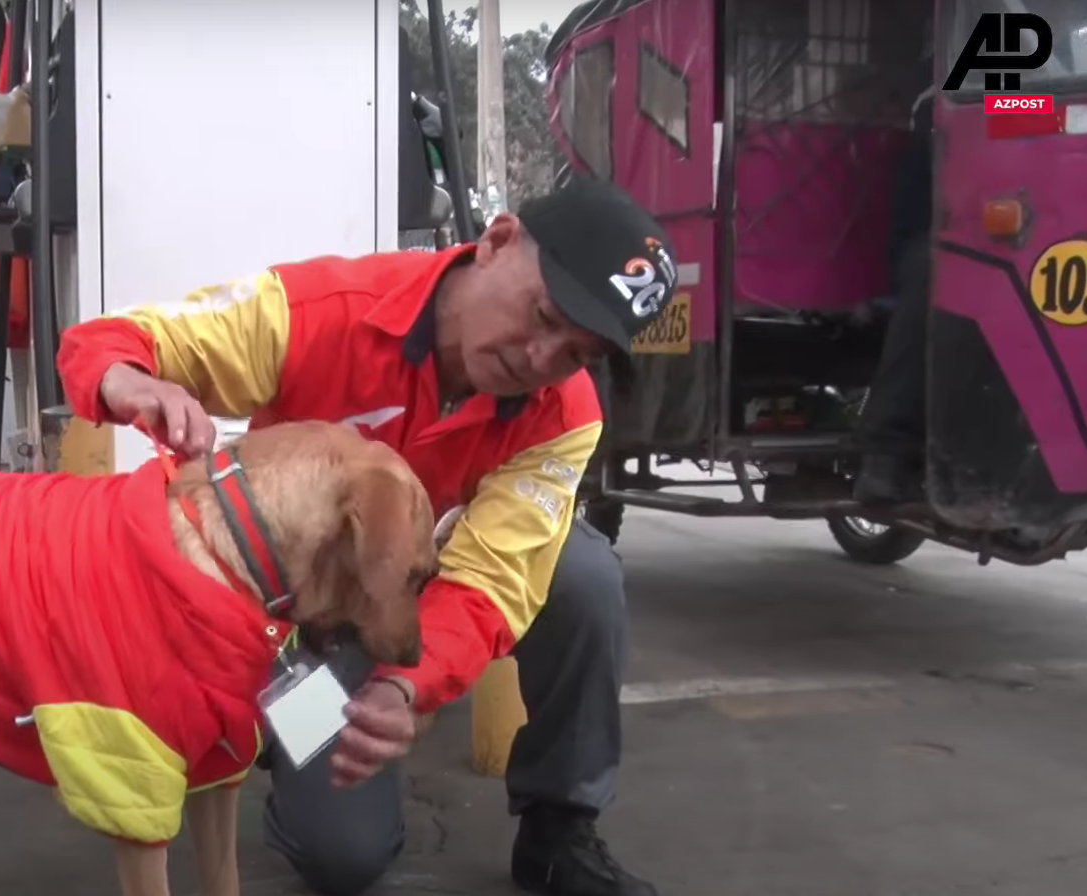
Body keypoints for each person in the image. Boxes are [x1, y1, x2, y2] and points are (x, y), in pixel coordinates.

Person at [57, 177, 677, 896]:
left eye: (576, 352)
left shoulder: (566, 414)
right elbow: (121, 338)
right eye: (543, 314)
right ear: (499, 241)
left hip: (423, 580)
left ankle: (558, 825)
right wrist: (127, 379)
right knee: (342, 856)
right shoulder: (319, 313)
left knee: (582, 575)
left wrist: (408, 689)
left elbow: (492, 580)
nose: (542, 359)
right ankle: (277, 725)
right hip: (313, 608)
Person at [855, 83, 935, 505]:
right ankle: (886, 449)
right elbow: (1027, 112)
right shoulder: (940, 94)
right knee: (935, 274)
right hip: (936, 237)